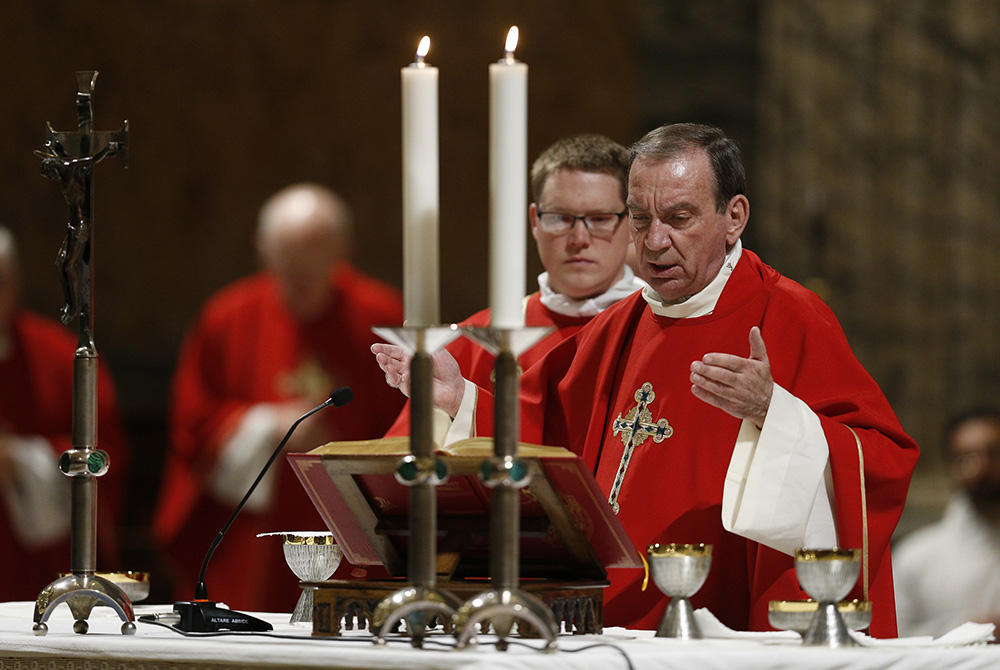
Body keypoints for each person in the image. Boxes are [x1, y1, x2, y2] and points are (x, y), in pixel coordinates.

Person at [373, 123, 919, 636]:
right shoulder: (619, 324)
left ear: (734, 216)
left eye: (679, 218)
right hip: (607, 620)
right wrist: (459, 398)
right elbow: (547, 436)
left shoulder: (788, 314)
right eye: (640, 218)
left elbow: (883, 458)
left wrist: (775, 414)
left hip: (721, 623)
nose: (654, 242)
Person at [155, 183, 404, 612]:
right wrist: (268, 426)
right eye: (287, 257)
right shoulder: (227, 317)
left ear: (342, 248)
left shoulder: (381, 316)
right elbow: (192, 422)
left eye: (314, 252)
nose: (300, 270)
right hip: (250, 533)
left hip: (350, 522)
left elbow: (410, 420)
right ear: (262, 249)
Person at [384, 134, 645, 438]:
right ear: (535, 221)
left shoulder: (657, 329)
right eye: (560, 218)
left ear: (633, 223)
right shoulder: (473, 342)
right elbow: (405, 465)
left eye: (599, 218)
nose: (578, 239)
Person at [0, 226, 129, 599]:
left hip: (36, 563)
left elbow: (105, 455)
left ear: (16, 285)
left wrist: (24, 461)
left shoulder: (64, 360)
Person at [893, 409, 1000, 637]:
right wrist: (966, 631)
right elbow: (892, 639)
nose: (983, 468)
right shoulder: (915, 557)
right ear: (951, 467)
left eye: (994, 454)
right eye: (967, 458)